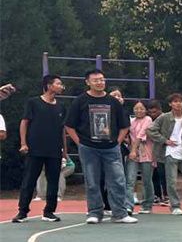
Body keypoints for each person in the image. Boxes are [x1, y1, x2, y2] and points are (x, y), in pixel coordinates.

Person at [65, 68, 136, 224]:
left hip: (111, 148)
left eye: (102, 79)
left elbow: (124, 125)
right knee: (92, 181)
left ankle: (120, 213)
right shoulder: (80, 101)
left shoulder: (113, 102)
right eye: (96, 80)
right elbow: (69, 125)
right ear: (88, 82)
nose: (100, 82)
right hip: (88, 148)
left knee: (118, 180)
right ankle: (95, 212)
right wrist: (80, 143)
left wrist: (118, 141)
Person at [13, 74, 67, 224]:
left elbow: (62, 129)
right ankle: (22, 212)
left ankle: (49, 211)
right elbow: (24, 122)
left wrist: (64, 150)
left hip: (54, 150)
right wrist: (23, 143)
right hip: (35, 148)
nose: (61, 87)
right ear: (49, 86)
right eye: (58, 84)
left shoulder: (61, 106)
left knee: (53, 181)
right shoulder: (33, 103)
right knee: (29, 180)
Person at [149, 92, 182, 215]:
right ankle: (175, 206)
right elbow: (150, 130)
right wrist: (164, 140)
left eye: (180, 101)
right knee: (172, 182)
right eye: (175, 101)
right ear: (170, 104)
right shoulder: (164, 117)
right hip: (170, 154)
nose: (178, 104)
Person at [125, 100, 155, 214]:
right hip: (133, 153)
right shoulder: (131, 121)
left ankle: (147, 205)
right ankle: (128, 205)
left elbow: (140, 135)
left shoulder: (148, 119)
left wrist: (133, 150)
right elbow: (129, 136)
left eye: (141, 108)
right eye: (136, 108)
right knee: (130, 180)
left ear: (146, 110)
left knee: (146, 180)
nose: (139, 111)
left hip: (146, 153)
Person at [145, 99, 167, 204]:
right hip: (152, 151)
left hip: (164, 150)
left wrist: (163, 140)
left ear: (160, 110)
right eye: (150, 112)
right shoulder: (148, 120)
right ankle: (157, 195)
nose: (152, 114)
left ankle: (166, 195)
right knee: (154, 175)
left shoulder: (166, 118)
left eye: (154, 112)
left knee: (164, 174)